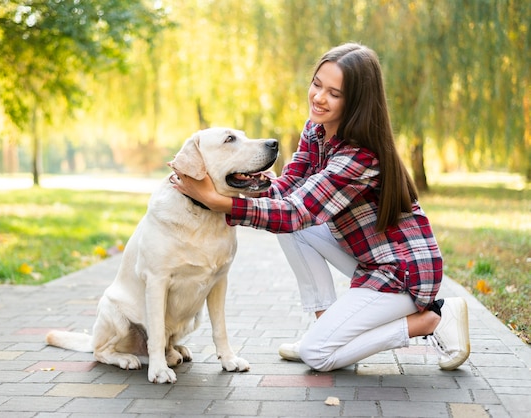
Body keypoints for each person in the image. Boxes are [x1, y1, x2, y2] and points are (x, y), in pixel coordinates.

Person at [169, 42, 470, 372]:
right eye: (316, 84)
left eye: (334, 93)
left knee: (318, 356)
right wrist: (237, 183)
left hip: (402, 274)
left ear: (355, 101)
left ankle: (431, 321)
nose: (319, 98)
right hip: (369, 259)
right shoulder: (316, 130)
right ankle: (326, 326)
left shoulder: (360, 156)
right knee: (294, 233)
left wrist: (218, 202)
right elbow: (288, 189)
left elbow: (297, 213)